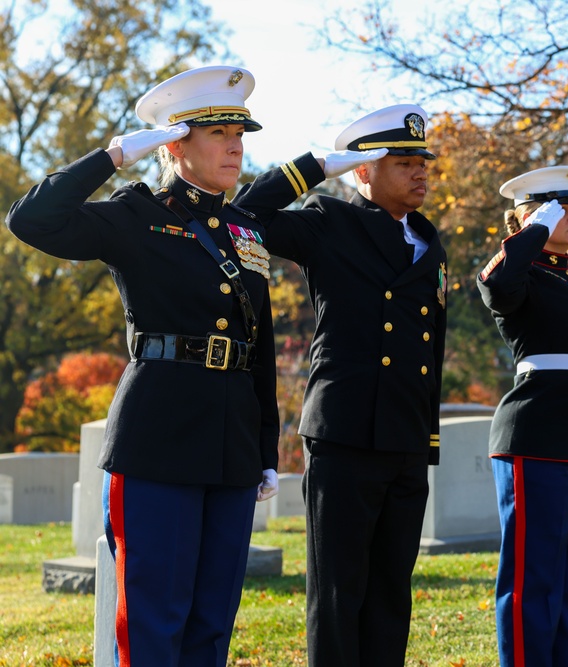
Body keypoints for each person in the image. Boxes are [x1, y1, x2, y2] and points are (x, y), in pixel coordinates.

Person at [4, 65, 377, 667]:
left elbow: (256, 343)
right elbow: (31, 220)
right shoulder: (136, 216)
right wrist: (116, 154)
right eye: (218, 133)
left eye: (240, 133)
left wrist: (263, 450)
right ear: (175, 145)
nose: (236, 145)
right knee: (156, 618)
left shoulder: (241, 230)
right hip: (158, 435)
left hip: (229, 443)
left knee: (211, 622)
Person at [233, 103, 447, 667]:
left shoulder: (428, 240)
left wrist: (428, 436)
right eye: (402, 161)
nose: (420, 171)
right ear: (364, 171)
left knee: (390, 592)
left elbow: (433, 348)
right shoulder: (328, 220)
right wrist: (313, 166)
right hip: (345, 431)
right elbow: (243, 214)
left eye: (422, 161)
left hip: (404, 434)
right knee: (337, 592)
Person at [477, 166, 568, 667]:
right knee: (531, 580)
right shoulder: (520, 272)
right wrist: (532, 230)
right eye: (560, 209)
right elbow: (495, 282)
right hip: (537, 436)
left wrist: (542, 227)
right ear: (528, 217)